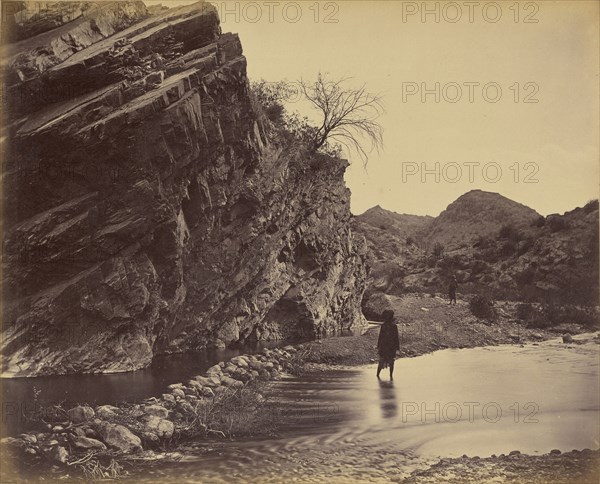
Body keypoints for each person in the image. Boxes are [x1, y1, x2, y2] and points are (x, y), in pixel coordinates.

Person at [376, 310, 400, 380]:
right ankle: (391, 376)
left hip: (384, 346)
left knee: (381, 361)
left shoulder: (383, 326)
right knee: (391, 362)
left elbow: (380, 337)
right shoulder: (394, 326)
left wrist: (378, 347)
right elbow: (396, 338)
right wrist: (397, 348)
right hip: (391, 347)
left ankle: (377, 375)